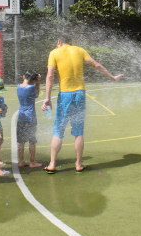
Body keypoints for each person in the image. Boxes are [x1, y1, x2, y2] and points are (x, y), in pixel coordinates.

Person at [41, 35, 124, 174]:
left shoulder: (54, 52)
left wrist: (47, 98)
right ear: (71, 42)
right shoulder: (80, 50)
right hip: (80, 94)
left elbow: (50, 76)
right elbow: (96, 65)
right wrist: (113, 77)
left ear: (59, 42)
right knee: (78, 132)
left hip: (65, 95)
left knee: (58, 131)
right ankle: (78, 164)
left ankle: (52, 164)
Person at [17, 70, 42, 168]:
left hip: (21, 116)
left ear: (24, 76)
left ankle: (21, 161)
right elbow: (36, 95)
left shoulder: (18, 86)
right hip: (31, 117)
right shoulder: (31, 88)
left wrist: (35, 80)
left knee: (21, 141)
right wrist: (38, 83)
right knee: (32, 141)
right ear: (34, 80)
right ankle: (32, 162)